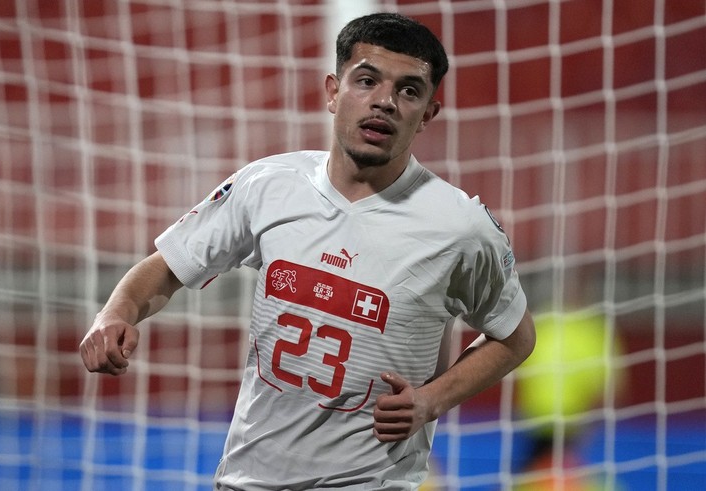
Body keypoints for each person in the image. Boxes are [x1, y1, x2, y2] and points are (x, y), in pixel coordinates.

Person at [80, 12, 536, 490]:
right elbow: (166, 267)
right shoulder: (268, 186)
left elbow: (515, 337)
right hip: (247, 480)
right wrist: (116, 313)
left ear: (427, 114)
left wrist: (431, 401)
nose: (384, 102)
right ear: (333, 91)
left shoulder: (460, 227)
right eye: (366, 81)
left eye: (408, 90)